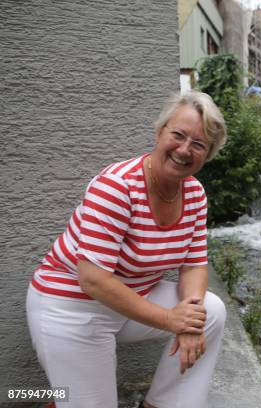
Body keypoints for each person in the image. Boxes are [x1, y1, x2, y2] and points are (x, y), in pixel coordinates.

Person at [26, 91, 227, 407]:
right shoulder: (117, 185)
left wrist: (189, 321)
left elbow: (194, 265)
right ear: (160, 132)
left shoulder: (195, 194)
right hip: (71, 308)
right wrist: (170, 320)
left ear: (208, 154)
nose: (185, 149)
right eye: (178, 135)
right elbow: (92, 280)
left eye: (199, 144)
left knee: (209, 311)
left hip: (130, 303)